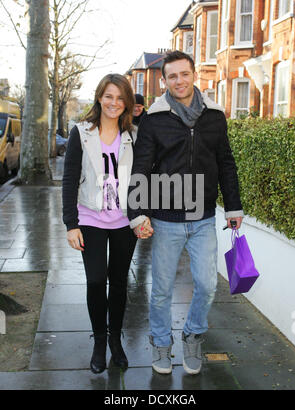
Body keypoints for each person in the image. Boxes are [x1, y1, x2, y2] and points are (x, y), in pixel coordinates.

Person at [127, 51, 244, 375]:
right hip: (166, 220)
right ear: (164, 81)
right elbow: (141, 167)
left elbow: (226, 164)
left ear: (194, 76)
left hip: (204, 219)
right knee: (162, 290)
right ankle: (161, 344)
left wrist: (233, 205)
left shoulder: (215, 117)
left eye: (184, 74)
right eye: (172, 76)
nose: (179, 81)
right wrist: (137, 214)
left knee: (207, 285)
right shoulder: (154, 119)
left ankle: (193, 335)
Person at [62, 73, 138, 374]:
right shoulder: (81, 133)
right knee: (96, 281)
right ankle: (99, 341)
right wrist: (71, 223)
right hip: (90, 219)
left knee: (119, 283)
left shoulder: (134, 135)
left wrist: (141, 215)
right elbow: (69, 179)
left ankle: (116, 340)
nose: (114, 102)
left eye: (120, 98)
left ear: (127, 103)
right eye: (109, 96)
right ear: (99, 97)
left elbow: (143, 177)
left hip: (123, 222)